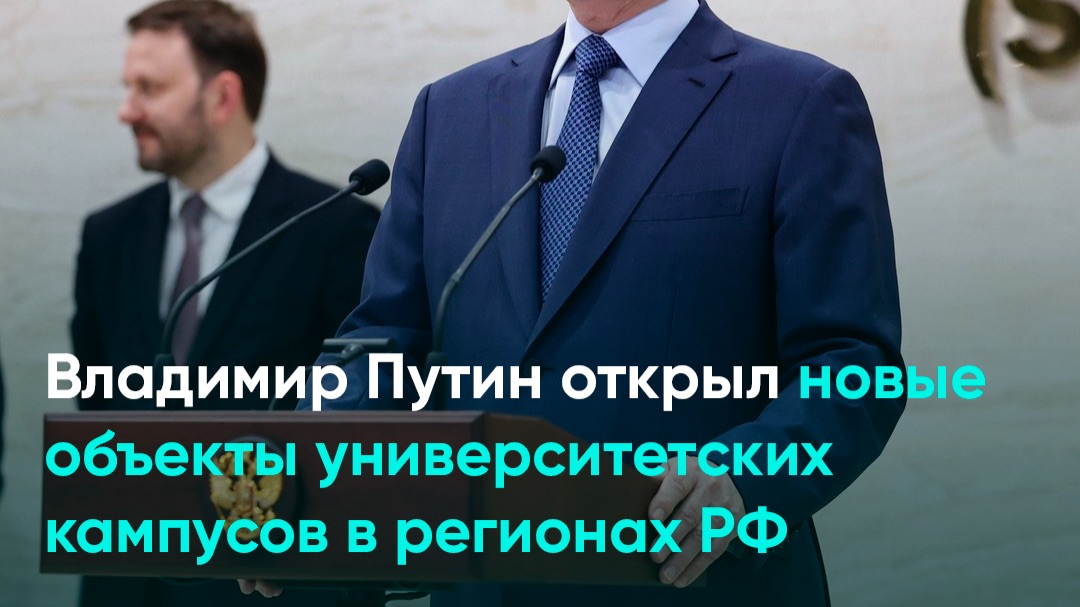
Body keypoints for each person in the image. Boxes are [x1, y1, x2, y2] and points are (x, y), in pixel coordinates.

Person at [266, 0, 904, 605]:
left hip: (688, 578)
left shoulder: (799, 100)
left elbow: (854, 362)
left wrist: (744, 477)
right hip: (485, 586)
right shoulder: (450, 109)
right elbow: (383, 339)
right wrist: (292, 478)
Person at [71, 1, 379, 605]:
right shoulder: (108, 236)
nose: (126, 110)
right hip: (124, 584)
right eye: (128, 88)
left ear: (222, 96)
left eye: (149, 88)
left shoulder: (336, 231)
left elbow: (358, 439)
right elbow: (96, 414)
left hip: (269, 588)